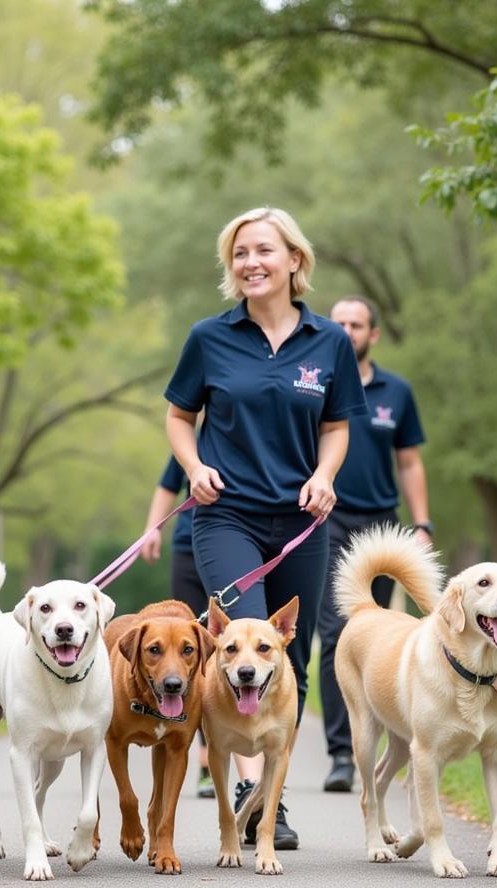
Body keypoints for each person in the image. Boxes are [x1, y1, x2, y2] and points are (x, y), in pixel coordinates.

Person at [164, 207, 366, 849]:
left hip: (303, 520)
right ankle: (256, 800)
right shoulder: (209, 337)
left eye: (263, 251)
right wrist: (193, 466)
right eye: (240, 253)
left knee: (289, 657)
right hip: (226, 516)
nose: (251, 262)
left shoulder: (328, 340)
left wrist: (326, 475)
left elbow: (337, 426)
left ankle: (267, 795)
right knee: (244, 639)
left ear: (294, 261)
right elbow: (177, 417)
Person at [317, 295, 431, 793]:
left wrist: (421, 522)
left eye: (356, 324)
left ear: (372, 334)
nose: (346, 330)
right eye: (338, 322)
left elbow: (409, 461)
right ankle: (342, 752)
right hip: (327, 518)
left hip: (382, 522)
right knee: (334, 631)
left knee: (380, 635)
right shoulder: (313, 384)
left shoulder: (397, 392)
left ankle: (382, 740)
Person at [141, 455, 213, 797]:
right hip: (187, 544)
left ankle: (213, 755)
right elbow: (168, 484)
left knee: (211, 656)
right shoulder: (192, 445)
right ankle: (202, 761)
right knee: (182, 648)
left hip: (232, 542)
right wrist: (152, 528)